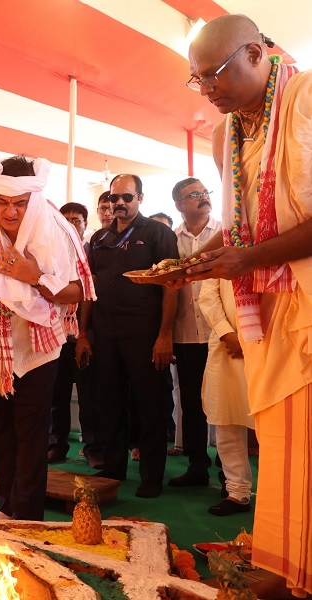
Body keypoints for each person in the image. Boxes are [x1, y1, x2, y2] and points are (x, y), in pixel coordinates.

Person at [184, 15, 312, 594]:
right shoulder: (229, 132)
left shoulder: (304, 100)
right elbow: (241, 227)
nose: (206, 89)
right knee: (282, 445)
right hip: (270, 305)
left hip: (304, 301)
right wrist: (194, 263)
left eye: (214, 74)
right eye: (197, 80)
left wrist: (248, 258)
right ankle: (291, 566)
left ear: (257, 54)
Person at [0, 154, 92, 521]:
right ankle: (7, 507)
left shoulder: (57, 231)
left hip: (38, 348)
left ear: (34, 198)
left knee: (31, 433)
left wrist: (33, 277)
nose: (10, 211)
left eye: (20, 203)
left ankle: (27, 518)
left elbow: (78, 291)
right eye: (2, 201)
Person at [76, 174, 179, 498]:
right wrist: (82, 333)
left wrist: (165, 335)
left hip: (145, 334)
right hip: (105, 335)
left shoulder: (158, 234)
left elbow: (172, 286)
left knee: (150, 405)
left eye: (127, 197)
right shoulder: (99, 238)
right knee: (109, 403)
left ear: (140, 198)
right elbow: (89, 288)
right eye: (114, 197)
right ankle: (113, 468)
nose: (119, 203)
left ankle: (151, 476)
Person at [168, 179, 220, 488]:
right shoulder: (172, 240)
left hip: (221, 333)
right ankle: (197, 465)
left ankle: (229, 473)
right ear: (179, 205)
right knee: (191, 402)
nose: (203, 197)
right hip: (186, 333)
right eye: (194, 195)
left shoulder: (225, 232)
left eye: (204, 192)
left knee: (225, 402)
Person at [48, 201, 102, 468]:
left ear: (85, 224)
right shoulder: (50, 252)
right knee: (55, 394)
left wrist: (84, 333)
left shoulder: (93, 252)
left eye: (76, 220)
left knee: (89, 395)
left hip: (86, 333)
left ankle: (93, 448)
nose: (70, 224)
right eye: (65, 219)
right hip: (55, 335)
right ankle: (56, 445)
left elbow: (91, 295)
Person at [198, 277, 254, 516]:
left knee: (277, 426)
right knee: (226, 418)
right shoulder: (222, 249)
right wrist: (226, 333)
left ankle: (282, 493)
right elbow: (208, 294)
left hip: (271, 341)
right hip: (226, 345)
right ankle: (238, 491)